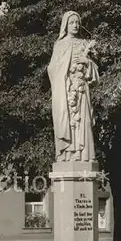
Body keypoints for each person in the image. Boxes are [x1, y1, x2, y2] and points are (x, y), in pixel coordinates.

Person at [47, 11, 99, 162]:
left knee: (83, 121)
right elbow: (51, 69)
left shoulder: (84, 44)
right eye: (72, 22)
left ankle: (83, 154)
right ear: (66, 25)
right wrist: (63, 70)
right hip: (65, 90)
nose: (75, 25)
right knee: (67, 121)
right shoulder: (59, 45)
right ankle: (67, 153)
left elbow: (95, 74)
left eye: (77, 22)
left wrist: (86, 61)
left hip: (82, 89)